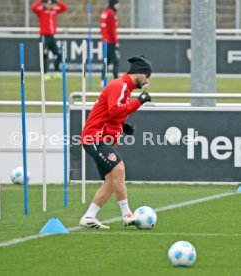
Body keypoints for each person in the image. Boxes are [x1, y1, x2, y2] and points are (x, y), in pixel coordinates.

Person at [79, 55, 153, 229]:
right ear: (140, 73)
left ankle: (89, 217)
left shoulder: (124, 89)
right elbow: (114, 111)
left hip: (101, 138)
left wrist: (122, 126)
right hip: (95, 137)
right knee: (119, 169)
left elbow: (112, 114)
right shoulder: (120, 86)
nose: (147, 81)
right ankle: (127, 214)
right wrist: (139, 101)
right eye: (147, 76)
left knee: (111, 181)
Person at [31, 0, 68, 80]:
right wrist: (40, 1)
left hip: (52, 36)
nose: (49, 5)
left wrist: (57, 2)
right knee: (45, 55)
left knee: (58, 54)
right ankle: (45, 73)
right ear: (45, 4)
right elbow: (33, 8)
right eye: (47, 4)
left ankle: (57, 72)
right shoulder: (41, 11)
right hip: (44, 36)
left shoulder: (54, 11)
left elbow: (64, 7)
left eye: (51, 4)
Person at [100, 0, 120, 86]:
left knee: (106, 61)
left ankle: (102, 80)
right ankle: (117, 79)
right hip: (110, 41)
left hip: (105, 40)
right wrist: (116, 41)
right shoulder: (111, 13)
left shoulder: (105, 12)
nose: (118, 5)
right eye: (117, 3)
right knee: (115, 60)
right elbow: (112, 29)